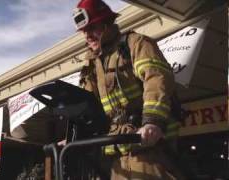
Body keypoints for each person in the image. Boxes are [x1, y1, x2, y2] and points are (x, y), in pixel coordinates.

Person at [72, 0, 186, 179]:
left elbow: (156, 78)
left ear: (107, 23)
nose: (87, 35)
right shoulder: (92, 64)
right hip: (117, 152)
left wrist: (152, 122)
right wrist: (72, 137)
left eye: (92, 27)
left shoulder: (135, 44)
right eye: (84, 31)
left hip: (150, 148)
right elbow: (88, 105)